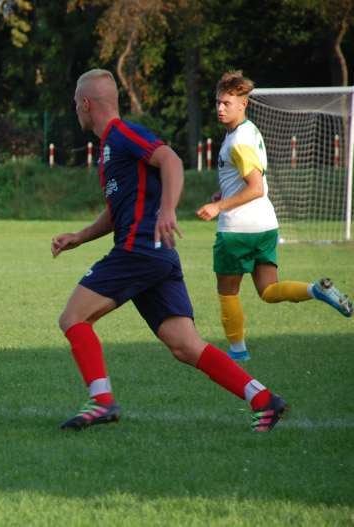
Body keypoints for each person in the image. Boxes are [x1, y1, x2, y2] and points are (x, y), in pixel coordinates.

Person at [52, 69, 286, 432]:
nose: (76, 111)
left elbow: (171, 160)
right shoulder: (109, 148)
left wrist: (166, 210)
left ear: (85, 104)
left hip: (139, 250)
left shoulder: (123, 133)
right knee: (185, 346)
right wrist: (80, 236)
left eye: (75, 105)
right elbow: (118, 211)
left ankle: (101, 401)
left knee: (73, 318)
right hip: (156, 255)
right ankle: (263, 399)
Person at [197, 70, 352, 361]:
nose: (220, 108)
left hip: (237, 230)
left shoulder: (237, 142)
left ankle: (238, 353)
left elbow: (255, 188)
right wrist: (223, 196)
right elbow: (248, 182)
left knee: (227, 291)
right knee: (268, 290)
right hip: (266, 225)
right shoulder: (249, 130)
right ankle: (315, 290)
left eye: (226, 103)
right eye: (218, 102)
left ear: (243, 104)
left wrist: (219, 207)